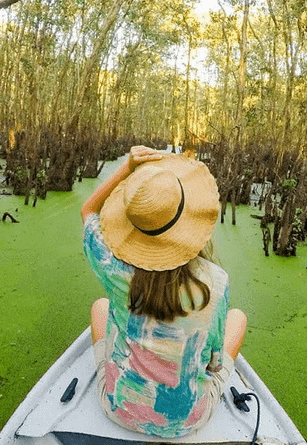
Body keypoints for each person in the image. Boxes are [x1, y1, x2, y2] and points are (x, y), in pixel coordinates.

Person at [81, 145, 247, 438]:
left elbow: (88, 211)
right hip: (187, 422)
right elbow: (214, 361)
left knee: (99, 307)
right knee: (238, 318)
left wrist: (127, 168)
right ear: (189, 220)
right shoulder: (216, 283)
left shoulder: (112, 267)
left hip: (119, 409)